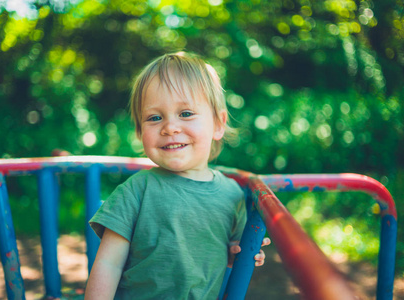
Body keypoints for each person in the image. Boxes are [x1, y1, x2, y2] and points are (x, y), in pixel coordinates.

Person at [85, 52, 267, 299]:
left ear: (218, 124)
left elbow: (233, 254)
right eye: (155, 118)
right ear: (140, 132)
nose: (170, 127)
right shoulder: (136, 190)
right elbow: (108, 264)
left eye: (186, 113)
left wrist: (246, 252)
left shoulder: (233, 194)